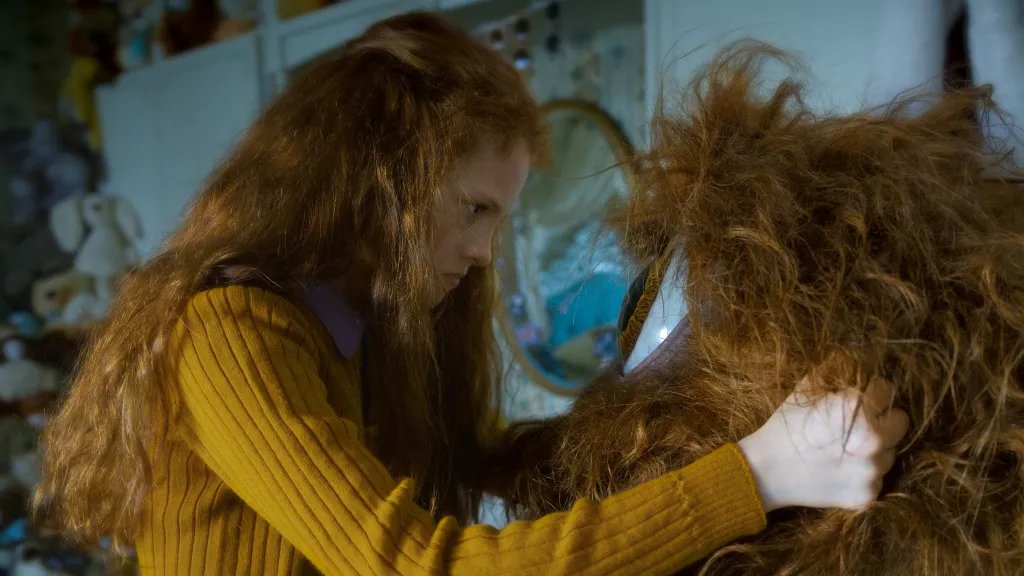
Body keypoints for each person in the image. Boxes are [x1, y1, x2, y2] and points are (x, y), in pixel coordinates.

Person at [35, 12, 909, 575]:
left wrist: (686, 418)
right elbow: (420, 566)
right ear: (376, 184)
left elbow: (491, 458)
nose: (486, 252)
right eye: (474, 209)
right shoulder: (230, 332)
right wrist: (758, 474)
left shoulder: (365, 333)